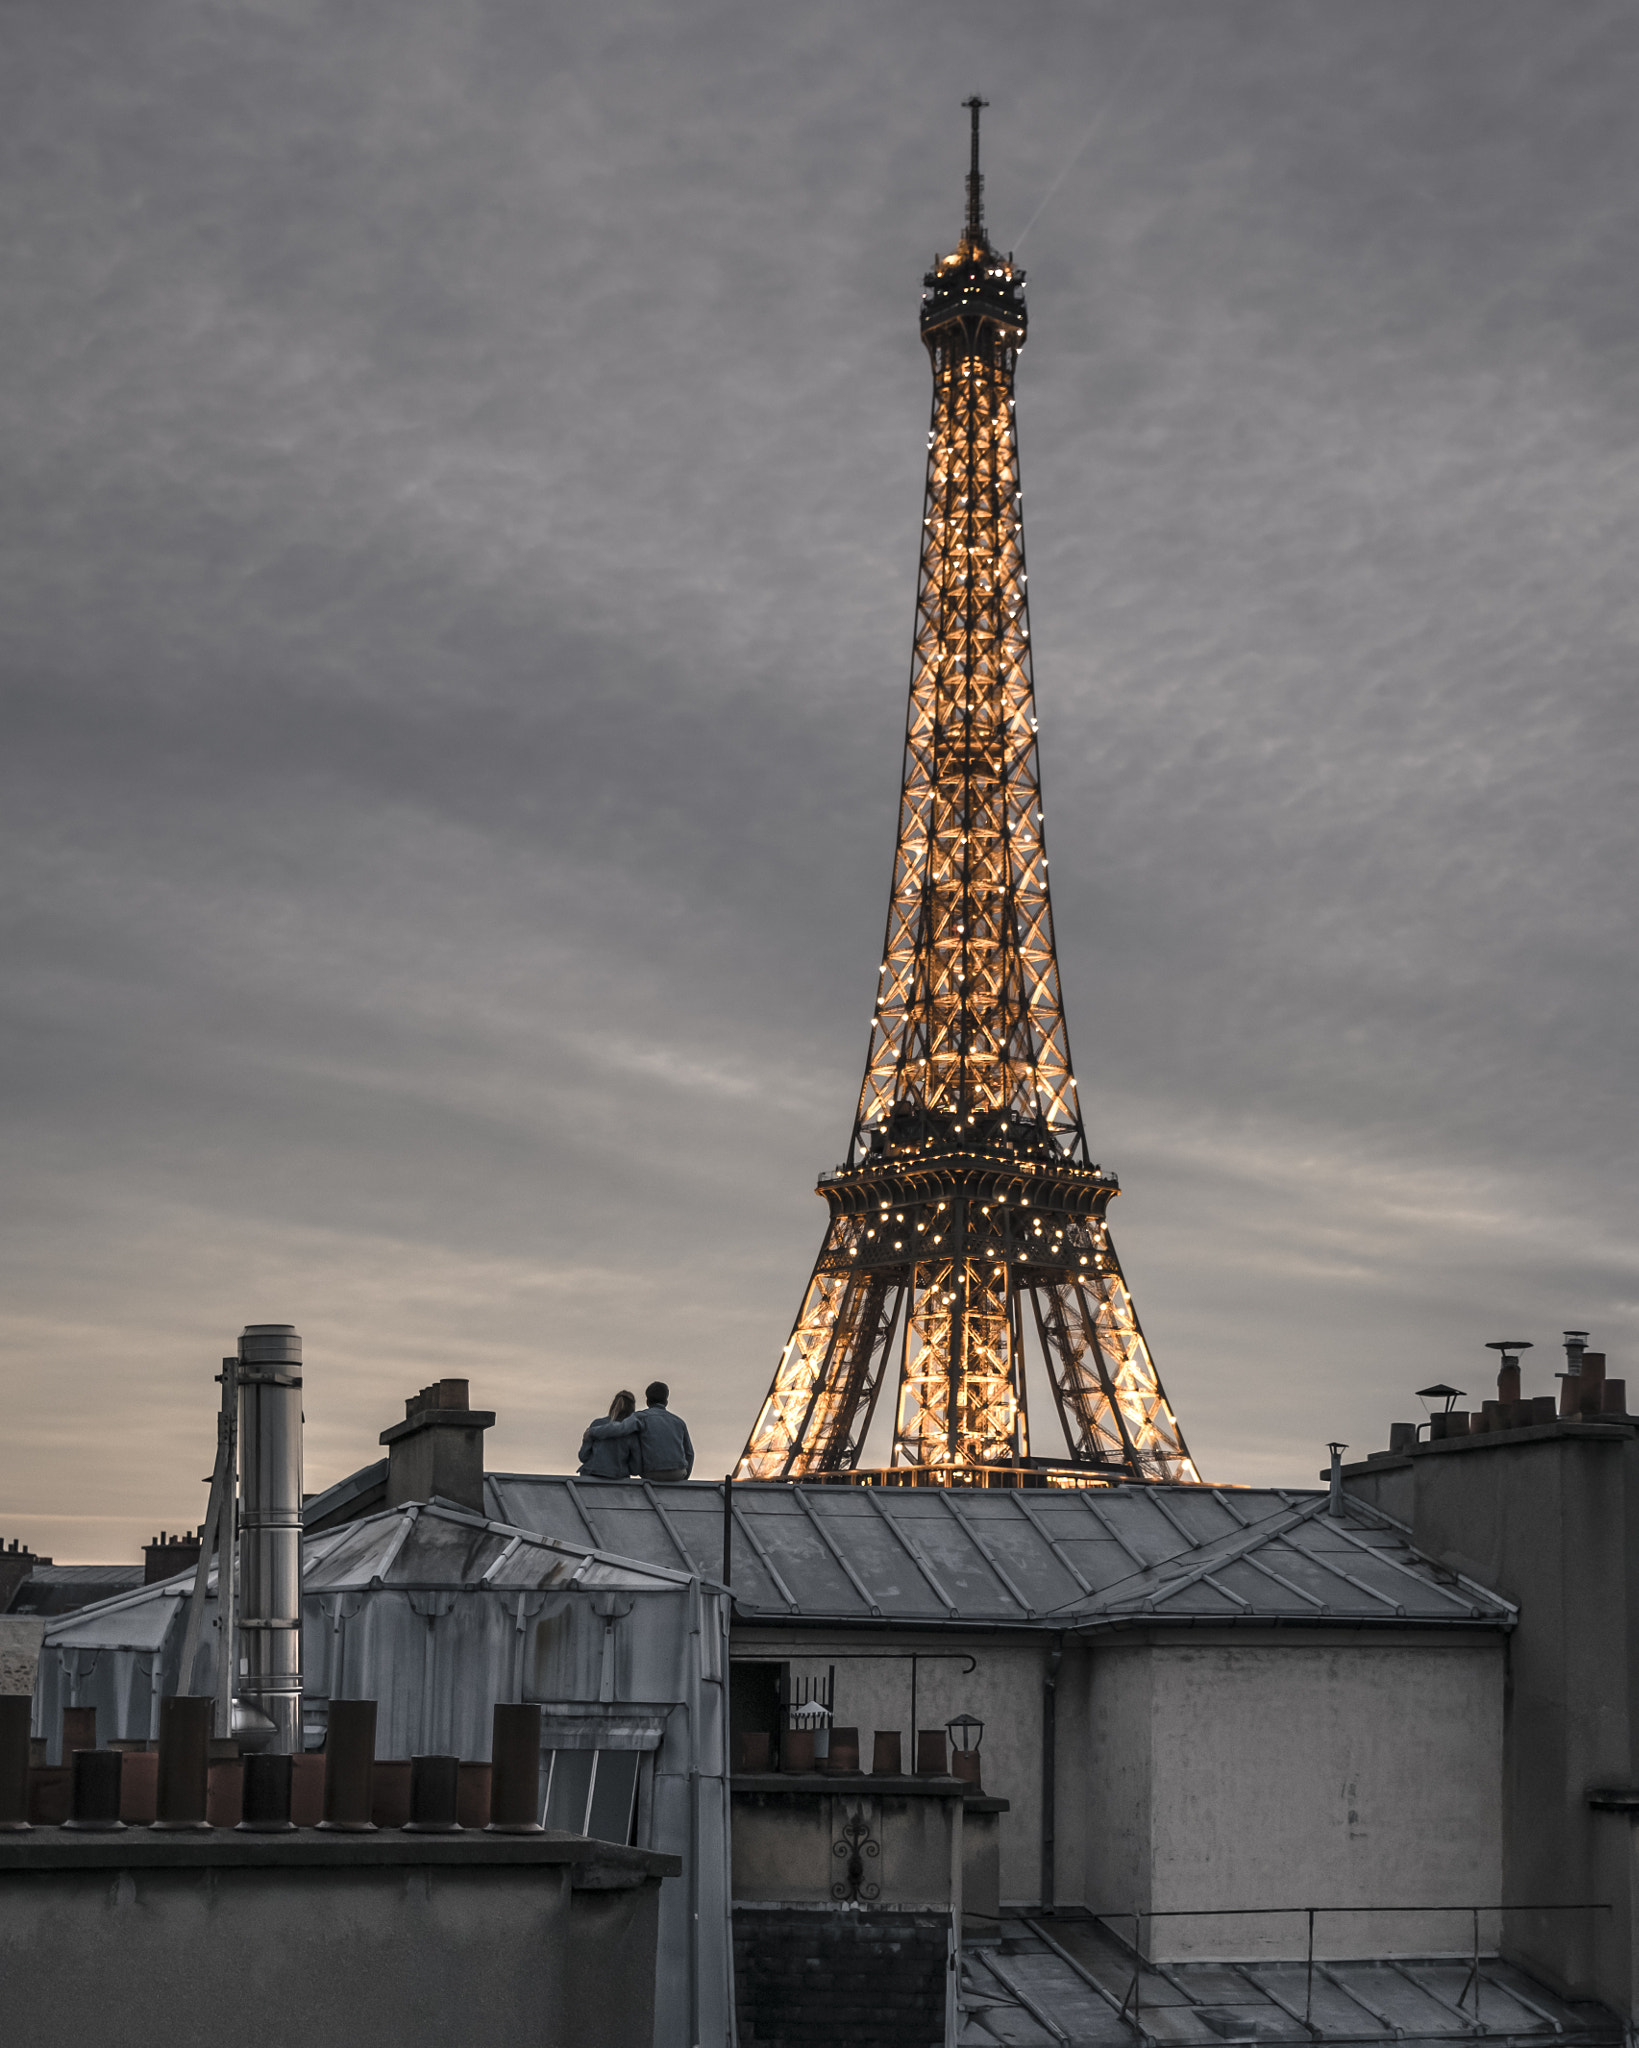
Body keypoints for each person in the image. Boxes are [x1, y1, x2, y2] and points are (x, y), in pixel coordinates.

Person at [635, 1381, 694, 1482]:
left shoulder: (639, 1418)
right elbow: (689, 1453)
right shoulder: (679, 1422)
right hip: (678, 1474)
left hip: (651, 1472)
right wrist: (684, 1478)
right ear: (666, 1402)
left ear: (647, 1401)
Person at [578, 1389, 642, 1480]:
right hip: (618, 1479)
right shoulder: (632, 1432)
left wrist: (586, 1439)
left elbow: (583, 1456)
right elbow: (636, 1468)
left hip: (591, 1475)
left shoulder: (597, 1424)